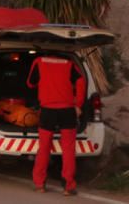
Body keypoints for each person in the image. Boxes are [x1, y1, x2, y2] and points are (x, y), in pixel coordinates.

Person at [27, 53, 87, 196]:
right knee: (68, 148)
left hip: (48, 111)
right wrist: (78, 104)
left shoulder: (39, 61)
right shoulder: (69, 63)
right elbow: (81, 81)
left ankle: (40, 184)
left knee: (44, 148)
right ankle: (68, 186)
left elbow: (30, 83)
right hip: (67, 111)